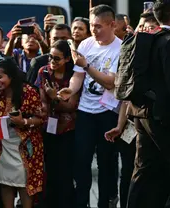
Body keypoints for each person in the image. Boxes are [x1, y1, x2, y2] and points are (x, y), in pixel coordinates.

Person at [57, 5, 121, 208]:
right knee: (81, 161)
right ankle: (81, 203)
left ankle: (105, 202)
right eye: (92, 25)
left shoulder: (120, 48)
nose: (94, 30)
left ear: (112, 25)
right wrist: (71, 90)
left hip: (108, 112)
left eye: (99, 26)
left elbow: (110, 82)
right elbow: (78, 76)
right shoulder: (86, 44)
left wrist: (86, 65)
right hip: (85, 111)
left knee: (106, 163)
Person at [0, 57, 44, 208]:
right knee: (5, 183)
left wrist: (24, 122)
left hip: (25, 146)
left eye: (0, 77)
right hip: (2, 146)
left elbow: (40, 118)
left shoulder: (28, 91)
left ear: (11, 76)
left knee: (24, 184)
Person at [125, 1, 170, 207]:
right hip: (161, 115)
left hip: (139, 112)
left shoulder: (142, 39)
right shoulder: (167, 41)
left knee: (143, 169)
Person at [35, 40, 77, 208]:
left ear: (67, 59)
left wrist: (54, 98)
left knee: (66, 169)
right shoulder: (43, 72)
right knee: (50, 168)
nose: (52, 61)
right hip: (48, 126)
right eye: (50, 57)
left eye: (57, 58)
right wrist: (45, 107)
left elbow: (71, 106)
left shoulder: (74, 74)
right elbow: (42, 102)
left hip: (69, 128)